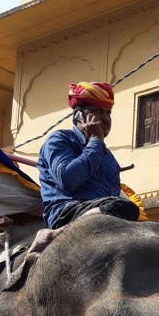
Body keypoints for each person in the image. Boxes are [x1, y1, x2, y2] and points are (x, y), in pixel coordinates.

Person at [37, 81, 139, 229]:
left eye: (108, 112)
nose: (105, 117)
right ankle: (56, 234)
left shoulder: (107, 155)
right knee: (124, 207)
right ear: (79, 115)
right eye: (98, 111)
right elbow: (68, 179)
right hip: (68, 212)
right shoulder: (59, 139)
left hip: (106, 213)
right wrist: (95, 142)